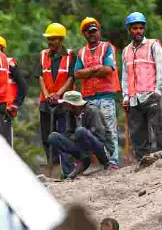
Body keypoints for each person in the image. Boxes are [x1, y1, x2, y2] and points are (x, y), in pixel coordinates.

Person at [120, 12, 162, 160]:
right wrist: (125, 96)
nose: (138, 31)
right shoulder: (126, 51)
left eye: (141, 28)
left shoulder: (153, 45)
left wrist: (159, 90)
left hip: (151, 95)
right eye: (135, 28)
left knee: (158, 129)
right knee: (137, 134)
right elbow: (125, 75)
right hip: (133, 98)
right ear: (129, 30)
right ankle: (143, 161)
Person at [73, 17, 121, 168]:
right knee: (90, 130)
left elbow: (107, 70)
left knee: (109, 128)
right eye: (88, 32)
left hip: (106, 95)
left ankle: (112, 161)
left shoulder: (107, 47)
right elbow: (77, 74)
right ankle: (97, 162)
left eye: (94, 31)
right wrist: (95, 69)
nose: (92, 34)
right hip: (88, 98)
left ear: (99, 31)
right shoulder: (81, 52)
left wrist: (88, 71)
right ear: (84, 34)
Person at [47, 91, 113, 179]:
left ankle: (96, 162)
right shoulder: (70, 113)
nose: (63, 106)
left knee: (80, 131)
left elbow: (100, 136)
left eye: (65, 104)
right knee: (53, 137)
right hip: (84, 148)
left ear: (72, 105)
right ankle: (83, 162)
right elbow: (69, 134)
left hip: (102, 148)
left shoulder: (92, 111)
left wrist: (81, 137)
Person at [38, 23, 75, 178]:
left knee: (65, 135)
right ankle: (53, 167)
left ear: (60, 40)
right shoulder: (42, 55)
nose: (50, 42)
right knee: (47, 136)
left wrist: (59, 94)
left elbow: (71, 77)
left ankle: (68, 169)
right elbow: (40, 76)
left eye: (53, 39)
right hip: (46, 103)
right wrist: (47, 94)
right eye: (49, 39)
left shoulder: (71, 55)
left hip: (64, 103)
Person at [0, 35, 29, 143]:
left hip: (7, 110)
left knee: (6, 141)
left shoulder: (9, 64)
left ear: (1, 48)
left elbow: (23, 86)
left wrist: (15, 104)